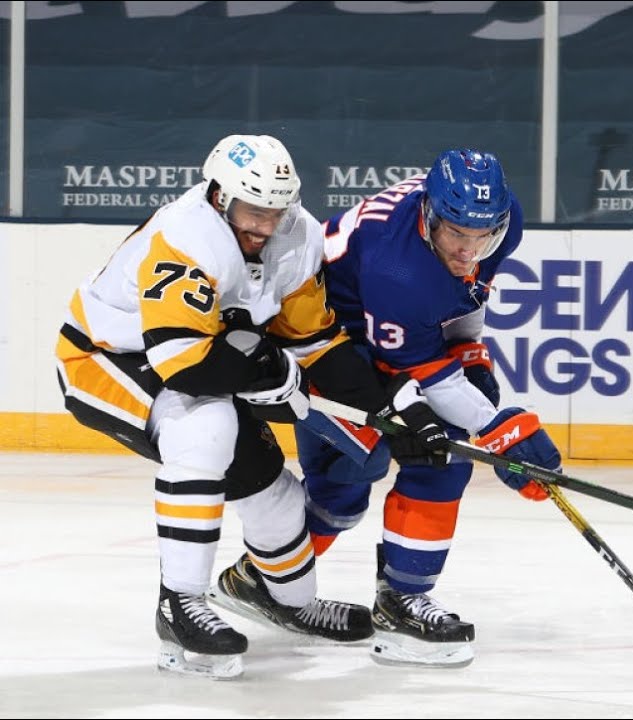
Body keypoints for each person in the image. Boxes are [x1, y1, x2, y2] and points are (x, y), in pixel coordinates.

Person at [53, 134, 448, 679]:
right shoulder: (186, 235)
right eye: (250, 210)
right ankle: (180, 603)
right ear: (218, 196)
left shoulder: (299, 236)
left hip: (199, 358)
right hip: (104, 357)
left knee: (277, 496)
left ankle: (285, 600)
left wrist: (391, 409)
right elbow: (186, 366)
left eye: (275, 211)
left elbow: (316, 343)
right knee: (206, 427)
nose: (263, 226)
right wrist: (274, 376)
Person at [265, 147, 562, 669]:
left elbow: (467, 293)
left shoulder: (500, 221)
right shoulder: (399, 267)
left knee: (441, 457)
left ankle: (401, 598)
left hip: (386, 327)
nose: (470, 250)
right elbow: (415, 365)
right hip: (324, 339)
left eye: (482, 237)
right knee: (353, 478)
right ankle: (266, 579)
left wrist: (470, 350)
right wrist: (501, 429)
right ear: (428, 214)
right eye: (456, 236)